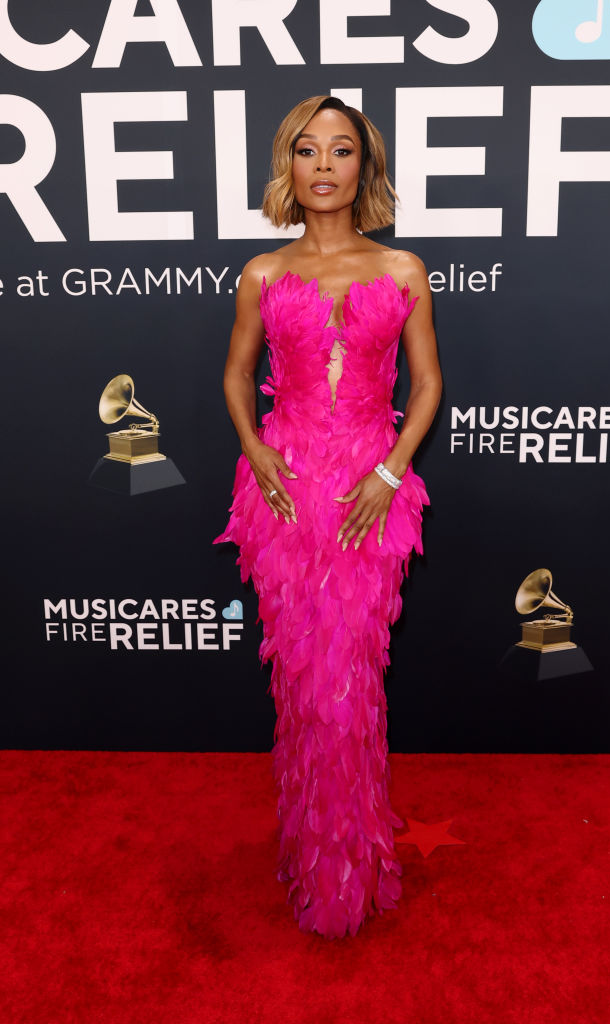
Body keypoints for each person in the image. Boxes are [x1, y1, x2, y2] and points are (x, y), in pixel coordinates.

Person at [213, 95, 442, 939]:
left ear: (362, 168)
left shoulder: (403, 268)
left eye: (339, 151)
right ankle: (315, 852)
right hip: (286, 486)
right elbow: (238, 376)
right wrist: (255, 448)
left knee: (353, 671)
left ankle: (353, 859)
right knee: (305, 679)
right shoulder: (263, 273)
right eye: (306, 151)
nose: (321, 166)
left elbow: (427, 386)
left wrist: (389, 469)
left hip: (368, 488)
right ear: (289, 166)